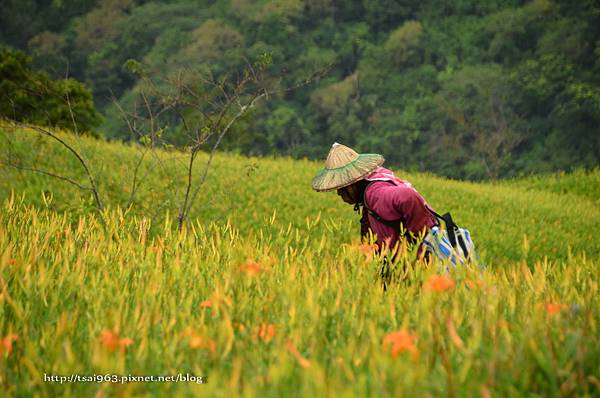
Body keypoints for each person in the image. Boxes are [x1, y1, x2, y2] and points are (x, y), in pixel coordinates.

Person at [312, 143, 437, 288]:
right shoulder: (368, 198)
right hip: (404, 274)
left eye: (340, 188)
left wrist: (421, 234)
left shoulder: (375, 194)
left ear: (351, 184)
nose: (339, 193)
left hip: (419, 275)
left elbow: (407, 197)